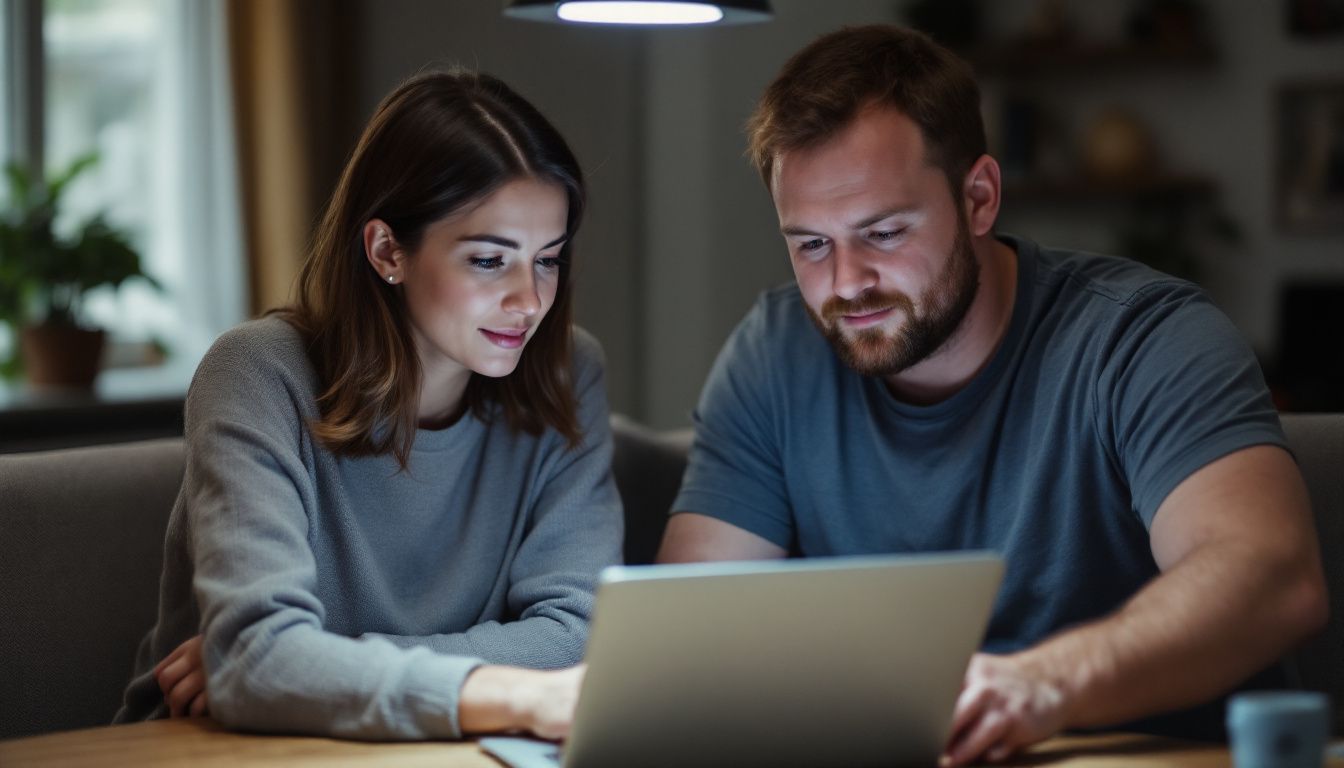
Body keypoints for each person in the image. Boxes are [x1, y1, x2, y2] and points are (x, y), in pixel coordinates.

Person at [654, 25, 1328, 766]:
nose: (845, 283)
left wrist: (1045, 683)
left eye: (882, 232)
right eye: (811, 244)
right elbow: (687, 647)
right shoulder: (774, 355)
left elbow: (1273, 579)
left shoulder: (1144, 338)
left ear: (979, 197)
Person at [114, 69, 620, 740]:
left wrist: (314, 668)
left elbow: (578, 640)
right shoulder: (257, 373)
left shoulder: (566, 371)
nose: (529, 300)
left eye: (548, 260)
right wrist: (269, 667)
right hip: (211, 749)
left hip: (443, 749)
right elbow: (257, 664)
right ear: (387, 250)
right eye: (490, 261)